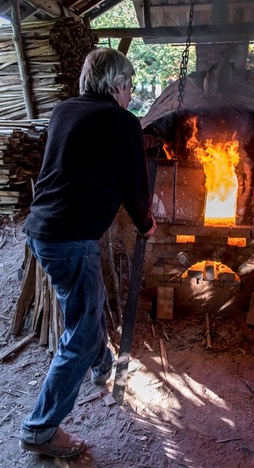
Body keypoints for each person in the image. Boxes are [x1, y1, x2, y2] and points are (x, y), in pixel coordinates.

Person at [19, 47, 157, 459]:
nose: (131, 96)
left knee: (86, 307)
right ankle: (40, 428)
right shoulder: (121, 120)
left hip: (41, 230)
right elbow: (136, 187)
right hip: (70, 238)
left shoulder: (63, 111)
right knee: (79, 331)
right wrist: (146, 223)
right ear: (117, 86)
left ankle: (102, 366)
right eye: (130, 87)